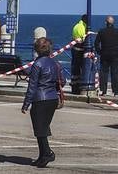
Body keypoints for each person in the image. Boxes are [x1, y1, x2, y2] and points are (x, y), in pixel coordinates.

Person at [21, 36, 64, 167]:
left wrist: (26, 104)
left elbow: (32, 86)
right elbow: (62, 81)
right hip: (52, 99)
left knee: (39, 129)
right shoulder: (55, 64)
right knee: (43, 128)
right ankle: (42, 156)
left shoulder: (37, 64)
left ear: (37, 50)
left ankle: (48, 153)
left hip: (40, 99)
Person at [96, 15, 118, 96]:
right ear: (113, 23)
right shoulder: (117, 31)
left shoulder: (101, 31)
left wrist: (99, 52)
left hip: (104, 55)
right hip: (114, 55)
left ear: (106, 22)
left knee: (103, 73)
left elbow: (96, 43)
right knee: (115, 73)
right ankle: (116, 91)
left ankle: (103, 91)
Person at [70, 13, 87, 94]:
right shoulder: (82, 27)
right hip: (80, 50)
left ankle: (74, 87)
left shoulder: (76, 26)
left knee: (75, 69)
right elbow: (84, 39)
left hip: (74, 49)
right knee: (80, 69)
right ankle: (78, 87)